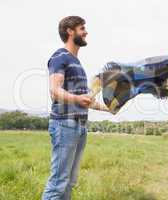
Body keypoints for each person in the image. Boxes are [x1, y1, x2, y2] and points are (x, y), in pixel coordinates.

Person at [42, 16, 108, 200]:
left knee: (70, 181)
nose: (85, 32)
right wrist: (77, 99)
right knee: (58, 183)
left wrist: (110, 109)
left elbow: (86, 100)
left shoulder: (77, 63)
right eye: (82, 28)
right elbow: (54, 91)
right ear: (70, 31)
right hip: (65, 125)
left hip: (79, 126)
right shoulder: (60, 57)